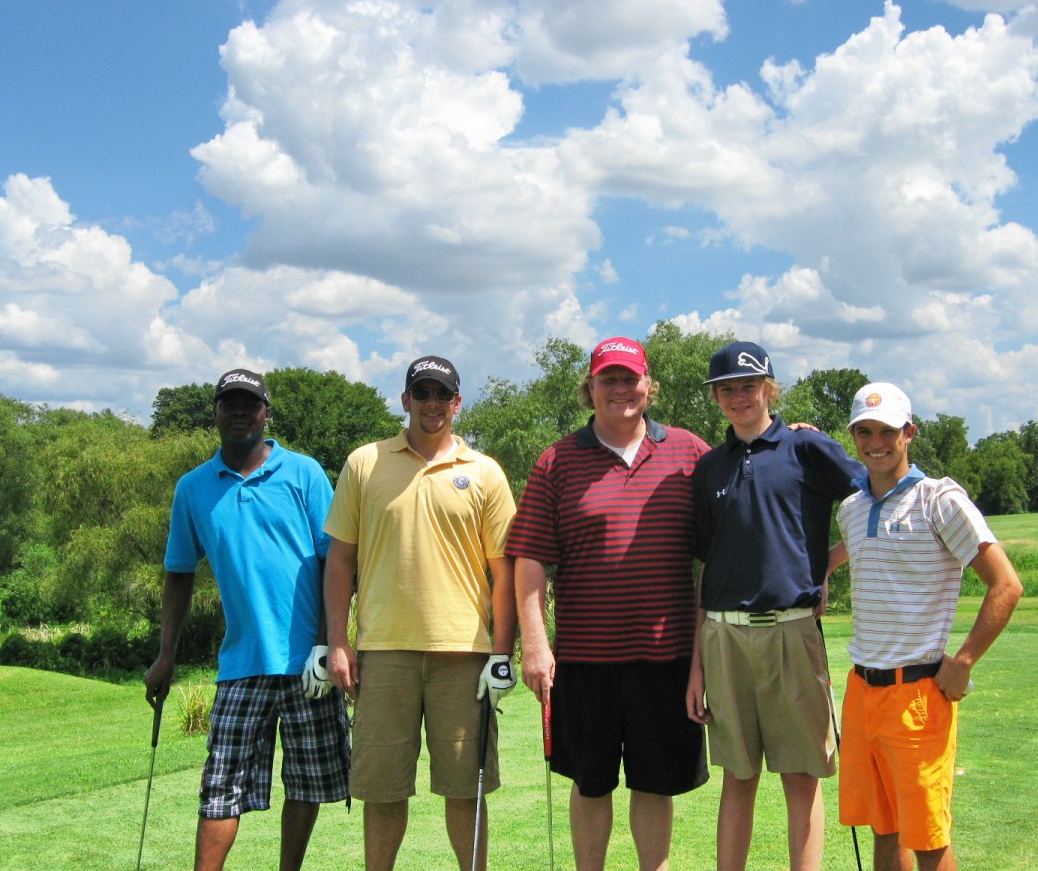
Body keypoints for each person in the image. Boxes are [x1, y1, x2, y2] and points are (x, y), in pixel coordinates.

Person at [508, 336, 710, 871]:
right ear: (590, 388)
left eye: (630, 378)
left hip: (667, 656)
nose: (621, 388)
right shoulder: (557, 460)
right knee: (590, 783)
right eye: (609, 379)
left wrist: (793, 438)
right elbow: (529, 558)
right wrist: (535, 645)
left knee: (656, 784)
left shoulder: (690, 451)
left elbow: (734, 514)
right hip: (585, 659)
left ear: (648, 385)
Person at [144, 368, 350, 871]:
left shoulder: (304, 473)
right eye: (229, 404)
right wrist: (165, 656)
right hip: (241, 662)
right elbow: (178, 573)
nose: (239, 413)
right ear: (215, 413)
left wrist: (327, 644)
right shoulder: (193, 487)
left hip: (308, 661)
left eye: (249, 404)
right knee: (221, 788)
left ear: (266, 413)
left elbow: (338, 563)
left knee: (307, 783)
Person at [322, 355, 517, 871]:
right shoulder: (364, 463)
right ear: (405, 399)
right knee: (383, 792)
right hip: (383, 653)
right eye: (422, 393)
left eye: (442, 394)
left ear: (457, 402)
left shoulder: (485, 472)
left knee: (465, 789)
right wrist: (338, 641)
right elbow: (340, 560)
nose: (433, 403)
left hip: (464, 655)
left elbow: (506, 572)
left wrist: (502, 653)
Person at [685, 341, 861, 871]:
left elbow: (877, 497)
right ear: (717, 397)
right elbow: (707, 567)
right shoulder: (709, 468)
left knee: (802, 776)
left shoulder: (807, 448)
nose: (739, 397)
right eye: (727, 389)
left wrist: (825, 565)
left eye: (749, 386)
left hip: (792, 630)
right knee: (738, 777)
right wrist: (696, 666)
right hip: (723, 634)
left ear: (769, 388)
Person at [835, 383, 1022, 871]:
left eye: (887, 431)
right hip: (862, 690)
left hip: (917, 695)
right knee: (883, 828)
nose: (875, 442)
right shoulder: (851, 509)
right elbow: (856, 553)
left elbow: (1006, 585)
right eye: (864, 432)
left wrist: (964, 661)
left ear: (909, 433)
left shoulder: (939, 500)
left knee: (927, 838)